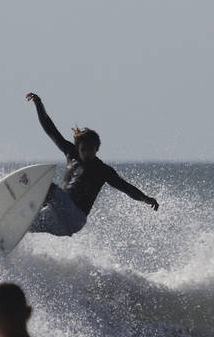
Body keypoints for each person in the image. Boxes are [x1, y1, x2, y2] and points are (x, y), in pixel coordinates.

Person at [25, 92, 159, 236]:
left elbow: (126, 187)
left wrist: (145, 198)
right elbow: (50, 129)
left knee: (47, 186)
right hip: (56, 218)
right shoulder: (71, 153)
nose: (87, 153)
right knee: (24, 225)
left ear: (97, 149)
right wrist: (39, 103)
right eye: (84, 150)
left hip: (74, 218)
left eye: (91, 150)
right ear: (78, 148)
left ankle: (35, 207)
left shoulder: (103, 170)